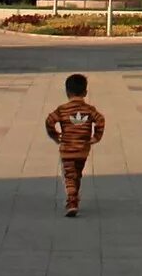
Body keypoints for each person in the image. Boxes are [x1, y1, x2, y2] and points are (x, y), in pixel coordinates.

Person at [42, 72, 106, 218]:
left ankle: (72, 202)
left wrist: (54, 135)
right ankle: (74, 197)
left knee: (70, 175)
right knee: (76, 175)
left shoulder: (62, 109)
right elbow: (101, 120)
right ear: (85, 92)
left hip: (67, 149)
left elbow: (49, 121)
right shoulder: (90, 110)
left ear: (67, 92)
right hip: (83, 149)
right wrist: (96, 137)